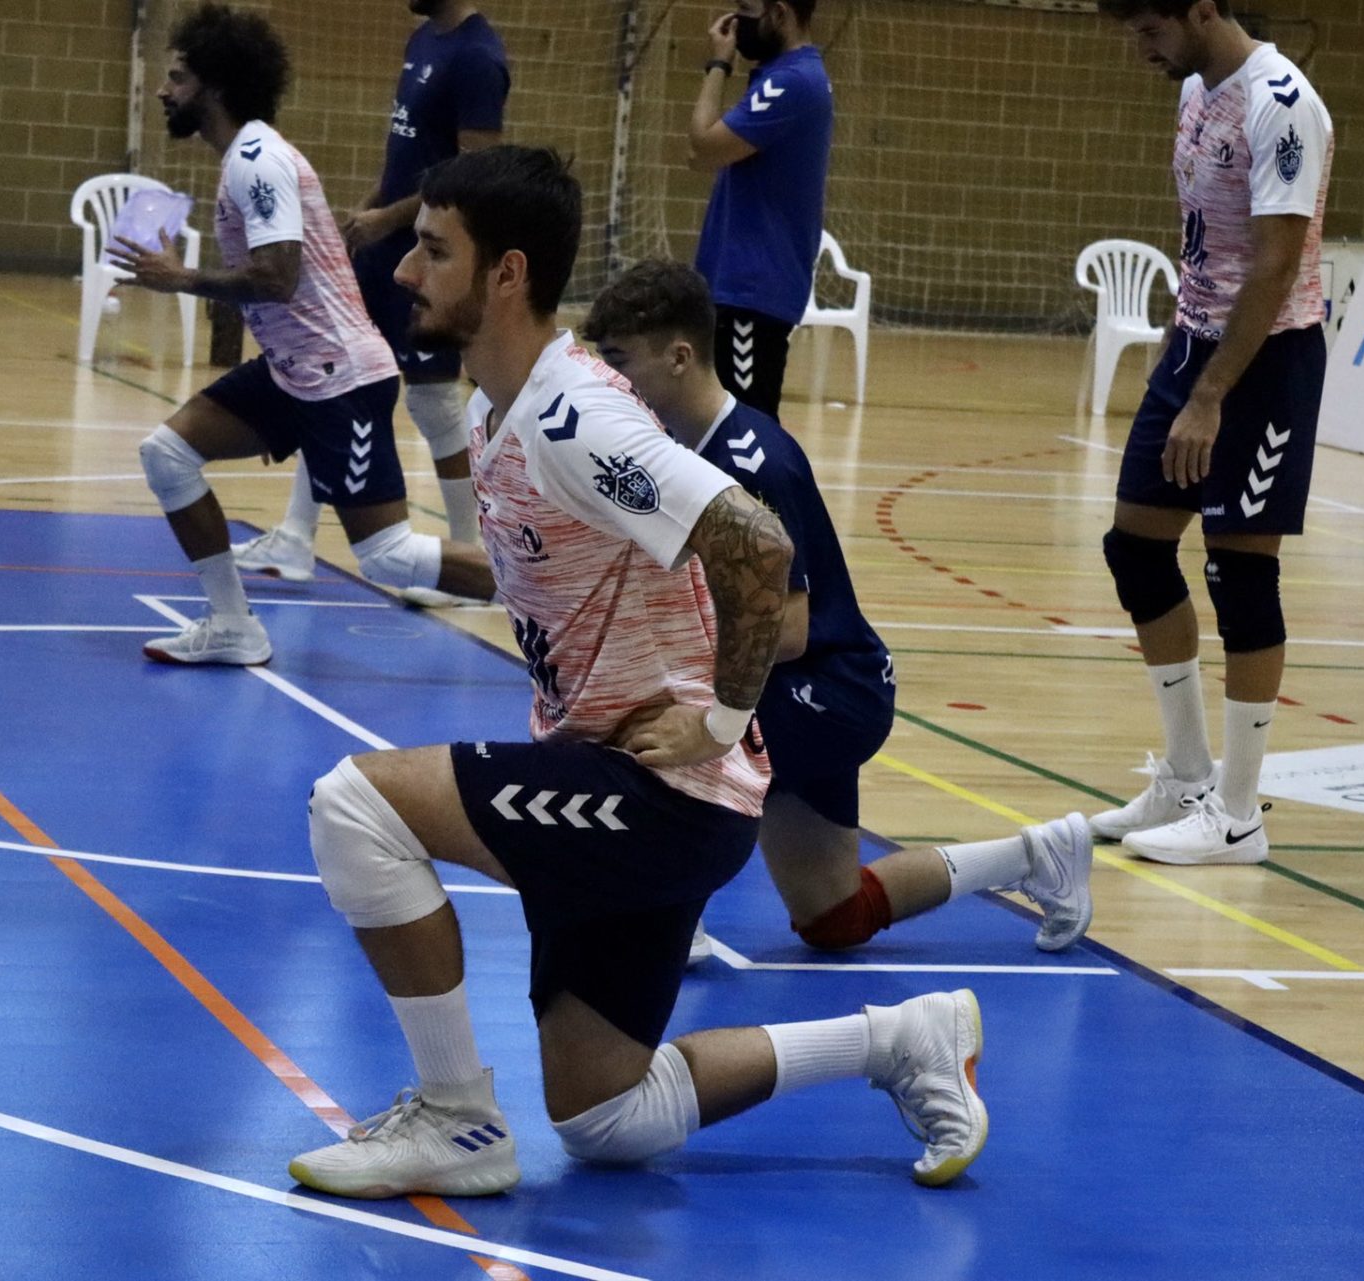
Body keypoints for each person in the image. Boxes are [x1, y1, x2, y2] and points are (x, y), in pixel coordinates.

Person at [286, 145, 989, 1203]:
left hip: (662, 794)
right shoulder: (496, 410)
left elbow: (755, 543)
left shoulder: (575, 417)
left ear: (507, 273)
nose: (404, 272)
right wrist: (411, 558)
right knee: (607, 1118)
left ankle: (454, 1118)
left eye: (434, 251)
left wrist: (722, 721)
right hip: (622, 779)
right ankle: (899, 1039)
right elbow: (555, 572)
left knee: (354, 805)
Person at [584, 259, 1092, 959]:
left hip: (828, 689)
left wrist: (678, 677)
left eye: (618, 363)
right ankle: (1039, 856)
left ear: (678, 357)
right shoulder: (673, 452)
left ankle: (669, 915)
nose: (607, 382)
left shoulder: (752, 462)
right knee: (834, 916)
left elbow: (789, 630)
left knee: (665, 732)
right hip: (791, 686)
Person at [111, 5, 493, 666]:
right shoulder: (245, 157)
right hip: (296, 371)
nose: (165, 91)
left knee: (387, 555)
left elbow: (277, 276)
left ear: (215, 87)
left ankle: (565, 592)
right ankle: (233, 627)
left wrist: (181, 279)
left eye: (177, 77)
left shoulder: (257, 161)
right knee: (167, 454)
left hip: (340, 377)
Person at [1090, 0, 1332, 866]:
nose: (1141, 49)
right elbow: (1206, 241)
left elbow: (1275, 262)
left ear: (1200, 10)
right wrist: (1178, 355)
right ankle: (1188, 777)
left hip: (1265, 363)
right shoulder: (1196, 87)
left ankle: (1236, 816)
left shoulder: (1282, 102)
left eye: (1149, 30)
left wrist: (1212, 394)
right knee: (1135, 548)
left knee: (1241, 571)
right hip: (1195, 348)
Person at [236, 0, 508, 608]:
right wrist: (367, 213)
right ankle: (295, 538)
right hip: (385, 248)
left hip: (431, 254)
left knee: (433, 402)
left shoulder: (477, 58)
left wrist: (391, 219)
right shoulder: (423, 40)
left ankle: (470, 563)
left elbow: (476, 178)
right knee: (332, 376)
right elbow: (405, 161)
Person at [686, 1, 832, 417]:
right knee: (721, 430)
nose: (735, 22)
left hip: (752, 291)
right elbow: (702, 153)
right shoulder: (782, 77)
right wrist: (707, 148)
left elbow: (703, 143)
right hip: (737, 290)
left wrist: (719, 63)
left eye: (746, 9)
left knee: (747, 431)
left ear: (780, 14)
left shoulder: (791, 82)